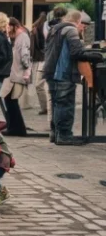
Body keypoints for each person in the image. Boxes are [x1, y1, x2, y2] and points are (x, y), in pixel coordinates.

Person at [44, 10, 103, 145]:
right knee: (65, 105)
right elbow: (77, 52)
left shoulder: (54, 29)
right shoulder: (71, 30)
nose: (84, 28)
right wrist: (95, 56)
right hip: (63, 73)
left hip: (51, 71)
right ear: (78, 21)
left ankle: (56, 134)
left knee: (56, 104)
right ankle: (64, 136)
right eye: (83, 25)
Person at [2, 18, 30, 136]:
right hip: (14, 72)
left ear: (14, 26)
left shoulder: (22, 37)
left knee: (11, 100)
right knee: (9, 99)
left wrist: (26, 68)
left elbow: (25, 54)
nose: (8, 30)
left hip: (17, 73)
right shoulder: (17, 37)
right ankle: (13, 126)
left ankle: (17, 128)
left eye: (9, 27)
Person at [30, 12, 48, 115]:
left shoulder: (35, 28)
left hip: (41, 59)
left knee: (39, 85)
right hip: (45, 58)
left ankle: (45, 107)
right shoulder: (44, 29)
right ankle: (46, 107)